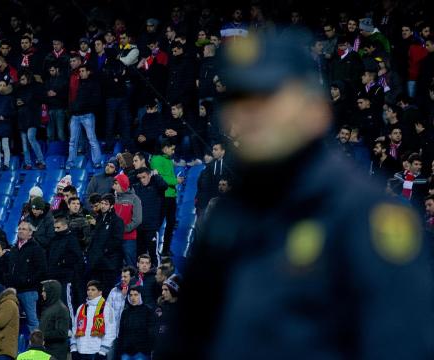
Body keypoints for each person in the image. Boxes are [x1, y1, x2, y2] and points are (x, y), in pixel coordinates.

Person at [179, 31, 434, 359]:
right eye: (239, 98)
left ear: (316, 111)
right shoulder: (227, 220)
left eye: (269, 96)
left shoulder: (367, 216)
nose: (250, 113)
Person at [7, 221, 47, 332]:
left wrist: (28, 280)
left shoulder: (36, 249)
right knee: (12, 320)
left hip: (29, 290)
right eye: (19, 228)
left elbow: (42, 270)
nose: (20, 231)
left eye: (24, 229)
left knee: (32, 320)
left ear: (30, 233)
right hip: (13, 290)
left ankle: (37, 345)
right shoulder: (14, 249)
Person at [86, 195, 124, 297]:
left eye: (106, 204)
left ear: (111, 206)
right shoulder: (99, 218)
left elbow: (117, 240)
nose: (103, 206)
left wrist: (105, 251)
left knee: (106, 293)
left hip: (108, 264)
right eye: (102, 203)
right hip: (96, 263)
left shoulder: (117, 221)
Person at [66, 65, 103, 169]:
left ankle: (97, 162)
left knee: (92, 139)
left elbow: (96, 100)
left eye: (83, 71)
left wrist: (84, 107)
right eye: (80, 71)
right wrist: (73, 109)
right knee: (72, 141)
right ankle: (70, 162)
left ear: (88, 72)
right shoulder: (78, 83)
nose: (81, 73)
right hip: (75, 115)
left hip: (87, 115)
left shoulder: (94, 84)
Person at [150, 139, 182, 257]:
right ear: (164, 148)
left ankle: (166, 249)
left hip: (171, 196)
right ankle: (151, 249)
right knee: (157, 224)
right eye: (172, 149)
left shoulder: (168, 160)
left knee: (171, 223)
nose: (173, 152)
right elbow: (160, 178)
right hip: (162, 197)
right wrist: (176, 181)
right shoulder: (156, 159)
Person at [70, 280, 116, 360]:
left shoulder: (106, 308)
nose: (90, 292)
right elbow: (75, 329)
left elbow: (110, 332)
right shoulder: (81, 308)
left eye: (93, 290)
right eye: (88, 290)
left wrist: (103, 351)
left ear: (100, 292)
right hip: (80, 351)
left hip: (96, 352)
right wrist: (74, 349)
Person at [132, 168, 168, 266]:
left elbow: (164, 186)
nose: (142, 180)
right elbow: (128, 183)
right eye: (140, 178)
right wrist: (136, 176)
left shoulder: (156, 187)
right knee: (139, 254)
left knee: (153, 254)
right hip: (139, 228)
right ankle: (140, 278)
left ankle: (157, 276)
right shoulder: (137, 188)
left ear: (149, 175)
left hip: (151, 228)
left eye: (144, 177)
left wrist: (156, 175)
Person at [47, 215, 83, 307]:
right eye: (54, 228)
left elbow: (76, 256)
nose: (55, 230)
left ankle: (70, 321)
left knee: (66, 303)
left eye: (58, 227)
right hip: (54, 276)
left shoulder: (71, 239)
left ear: (65, 226)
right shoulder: (54, 240)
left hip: (66, 278)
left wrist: (62, 262)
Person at [117, 285, 155, 360]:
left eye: (136, 295)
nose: (133, 297)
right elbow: (121, 332)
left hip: (142, 351)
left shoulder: (148, 311)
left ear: (141, 295)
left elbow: (151, 332)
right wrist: (120, 350)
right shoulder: (125, 312)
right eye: (130, 295)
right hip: (126, 351)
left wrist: (149, 348)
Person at [112, 173, 142, 266]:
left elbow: (137, 220)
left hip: (128, 238)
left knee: (130, 265)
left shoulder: (134, 199)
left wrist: (124, 229)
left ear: (122, 184)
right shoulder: (113, 198)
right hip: (115, 238)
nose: (113, 186)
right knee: (115, 265)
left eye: (116, 183)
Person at [39, 280, 70, 360]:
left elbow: (62, 333)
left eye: (44, 291)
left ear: (51, 292)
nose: (42, 294)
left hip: (56, 354)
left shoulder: (61, 309)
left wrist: (41, 336)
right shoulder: (48, 307)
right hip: (47, 352)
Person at [0, 79, 16, 170]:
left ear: (6, 87)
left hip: (5, 125)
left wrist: (5, 116)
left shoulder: (10, 98)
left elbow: (13, 112)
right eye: (0, 85)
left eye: (3, 85)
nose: (1, 87)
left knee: (5, 145)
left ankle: (6, 164)